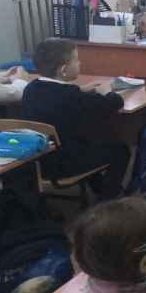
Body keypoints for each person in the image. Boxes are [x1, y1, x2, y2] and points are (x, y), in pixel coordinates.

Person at [22, 39, 131, 200]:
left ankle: (100, 189)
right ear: (64, 69)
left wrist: (80, 89)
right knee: (120, 150)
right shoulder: (71, 96)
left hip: (38, 160)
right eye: (76, 59)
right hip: (65, 164)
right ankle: (107, 200)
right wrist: (107, 91)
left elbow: (57, 93)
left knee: (90, 144)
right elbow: (114, 103)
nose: (80, 63)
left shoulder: (31, 89)